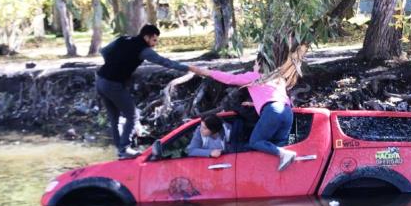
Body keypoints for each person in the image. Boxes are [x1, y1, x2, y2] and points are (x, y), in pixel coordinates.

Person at [96, 24, 190, 159]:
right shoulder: (144, 50)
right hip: (112, 85)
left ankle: (120, 150)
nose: (154, 44)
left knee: (114, 118)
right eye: (154, 40)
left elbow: (104, 51)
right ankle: (124, 149)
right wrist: (187, 67)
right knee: (132, 115)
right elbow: (164, 62)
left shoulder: (123, 39)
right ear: (146, 37)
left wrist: (116, 64)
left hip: (100, 80)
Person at [188, 61, 297, 171]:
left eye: (255, 64)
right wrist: (255, 103)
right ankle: (278, 167)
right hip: (287, 112)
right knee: (277, 145)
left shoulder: (254, 76)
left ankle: (285, 154)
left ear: (260, 66)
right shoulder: (278, 79)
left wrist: (203, 71)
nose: (254, 66)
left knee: (256, 142)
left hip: (273, 111)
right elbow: (273, 97)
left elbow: (229, 78)